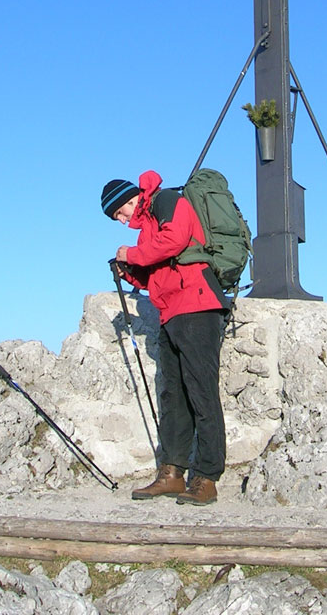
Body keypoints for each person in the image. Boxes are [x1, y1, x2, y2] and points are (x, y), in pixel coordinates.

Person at [101, 170, 230, 505]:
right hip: (172, 311)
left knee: (202, 391)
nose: (121, 220)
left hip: (198, 305)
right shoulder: (148, 224)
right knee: (174, 395)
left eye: (119, 213)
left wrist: (131, 255)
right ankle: (171, 473)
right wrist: (130, 272)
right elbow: (159, 275)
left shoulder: (167, 201)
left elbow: (176, 239)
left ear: (128, 200)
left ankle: (207, 478)